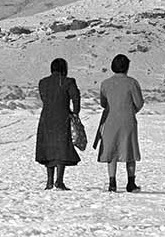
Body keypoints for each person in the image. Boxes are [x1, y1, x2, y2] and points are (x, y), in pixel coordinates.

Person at [93, 53, 144, 192]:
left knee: (111, 151)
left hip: (110, 120)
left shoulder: (105, 83)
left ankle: (112, 182)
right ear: (127, 67)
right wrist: (130, 111)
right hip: (128, 121)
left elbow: (104, 103)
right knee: (130, 151)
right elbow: (139, 103)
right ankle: (131, 182)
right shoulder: (132, 82)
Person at [35, 58, 82, 190]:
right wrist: (75, 113)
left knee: (49, 148)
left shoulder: (43, 82)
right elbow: (76, 97)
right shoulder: (68, 81)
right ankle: (59, 181)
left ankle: (49, 181)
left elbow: (44, 98)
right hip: (62, 117)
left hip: (46, 117)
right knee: (62, 147)